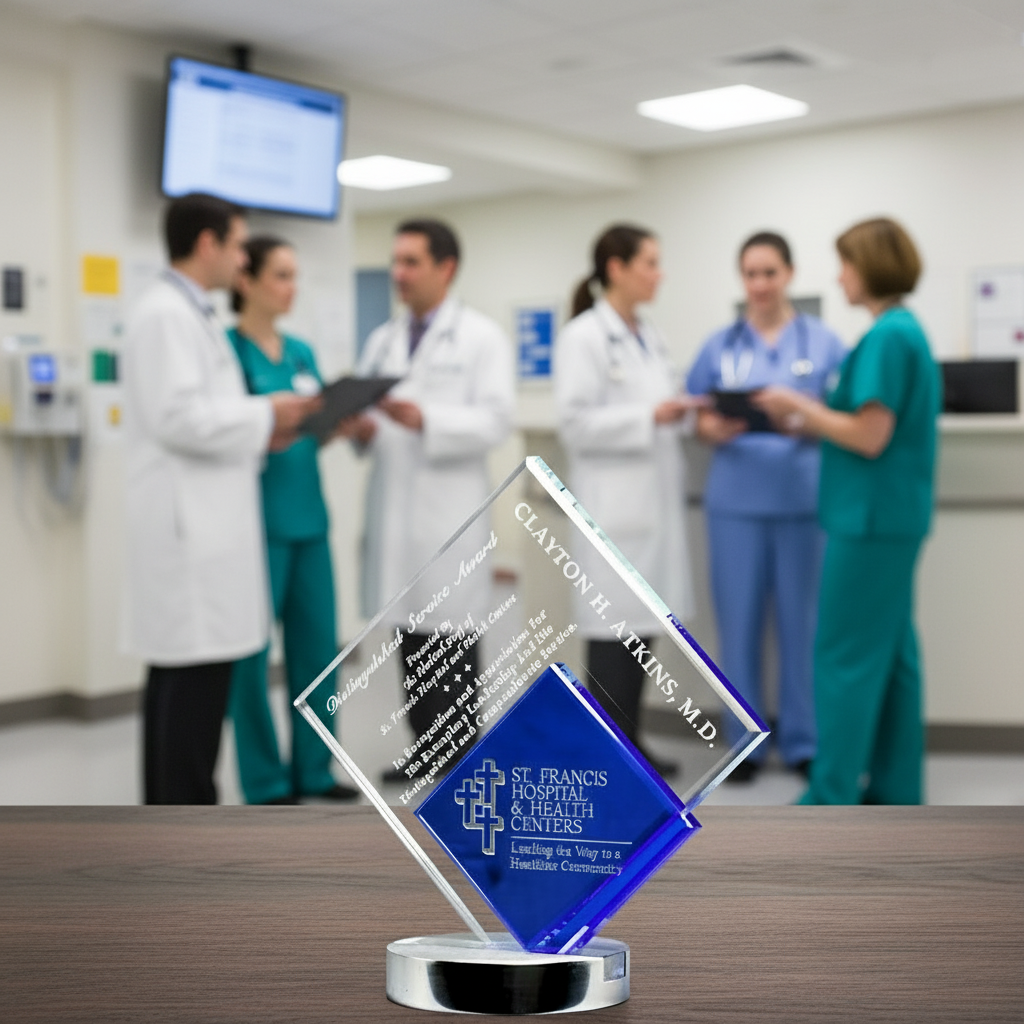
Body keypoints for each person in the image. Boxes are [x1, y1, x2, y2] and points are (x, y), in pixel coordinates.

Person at [122, 193, 317, 805]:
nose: (240, 260)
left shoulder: (193, 314)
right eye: (237, 245)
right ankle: (179, 827)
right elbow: (179, 418)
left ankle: (176, 818)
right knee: (186, 699)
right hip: (190, 539)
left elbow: (211, 415)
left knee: (192, 697)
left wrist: (268, 424)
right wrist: (266, 413)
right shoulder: (164, 315)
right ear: (207, 243)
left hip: (209, 531)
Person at [754, 217, 940, 805]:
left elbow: (869, 435)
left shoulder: (887, 337)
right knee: (892, 655)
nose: (839, 277)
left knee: (844, 656)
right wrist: (816, 415)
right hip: (892, 518)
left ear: (870, 267)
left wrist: (798, 409)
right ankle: (894, 789)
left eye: (846, 264)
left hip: (869, 522)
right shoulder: (905, 331)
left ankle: (830, 795)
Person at [345, 219, 515, 781]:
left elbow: (495, 421)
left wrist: (426, 419)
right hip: (397, 513)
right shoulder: (383, 340)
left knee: (451, 635)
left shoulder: (481, 338)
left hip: (450, 514)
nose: (399, 274)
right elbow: (369, 417)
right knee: (410, 635)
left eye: (411, 262)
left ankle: (460, 757)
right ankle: (424, 747)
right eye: (396, 261)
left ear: (446, 268)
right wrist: (362, 429)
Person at [686, 232, 847, 782]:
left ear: (789, 274)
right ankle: (743, 745)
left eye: (769, 273)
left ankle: (803, 741)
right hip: (735, 504)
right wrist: (714, 427)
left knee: (803, 625)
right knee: (739, 626)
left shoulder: (824, 342)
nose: (759, 285)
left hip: (803, 502)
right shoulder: (719, 346)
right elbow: (697, 417)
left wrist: (801, 415)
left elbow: (845, 416)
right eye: (750, 274)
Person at [555, 223, 703, 777]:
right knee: (612, 635)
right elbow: (574, 424)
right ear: (616, 268)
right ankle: (609, 755)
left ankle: (632, 745)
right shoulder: (584, 337)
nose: (659, 274)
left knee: (639, 634)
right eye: (650, 263)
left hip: (650, 509)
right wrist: (650, 416)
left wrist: (681, 413)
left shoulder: (648, 335)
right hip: (612, 511)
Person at [226, 236, 357, 805]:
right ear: (246, 281)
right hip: (256, 525)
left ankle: (315, 769)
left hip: (310, 522)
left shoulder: (300, 351)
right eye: (280, 275)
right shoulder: (227, 351)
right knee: (250, 663)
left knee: (318, 651)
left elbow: (308, 429)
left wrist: (336, 422)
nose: (290, 287)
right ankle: (264, 780)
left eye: (294, 275)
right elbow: (230, 431)